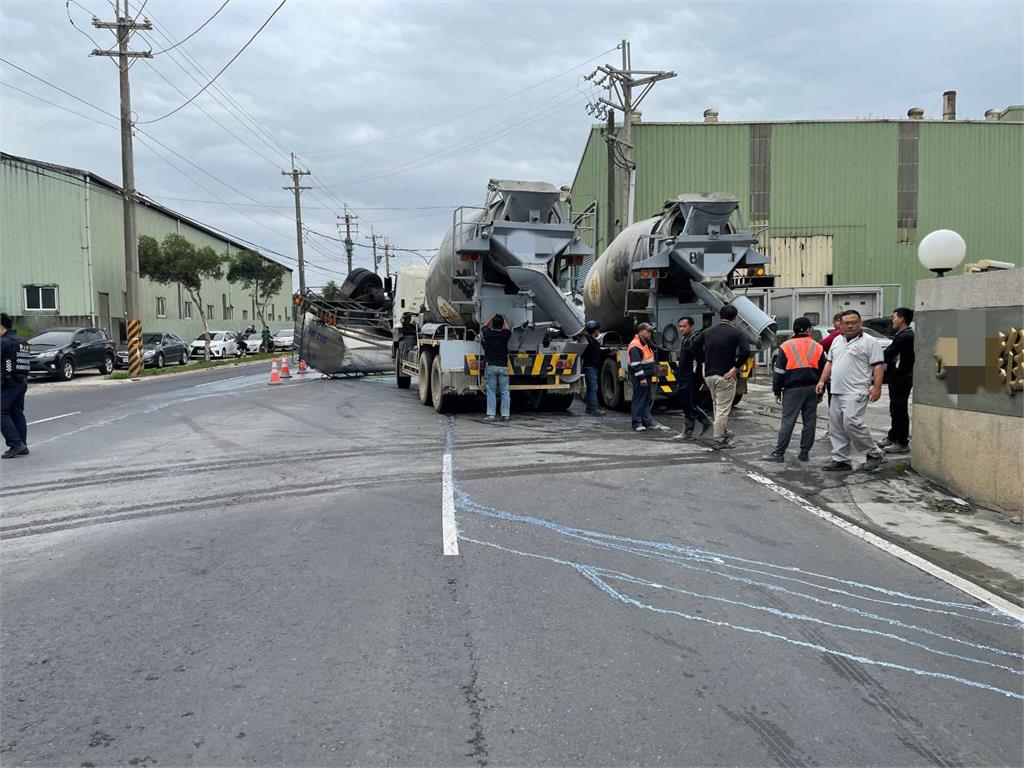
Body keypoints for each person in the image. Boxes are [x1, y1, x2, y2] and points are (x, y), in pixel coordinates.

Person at [816, 309, 885, 472]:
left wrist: (877, 387)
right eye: (846, 323)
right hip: (837, 390)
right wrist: (822, 380)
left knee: (852, 422)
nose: (850, 326)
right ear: (840, 325)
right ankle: (841, 459)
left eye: (854, 322)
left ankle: (873, 453)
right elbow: (830, 363)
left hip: (856, 391)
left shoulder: (870, 342)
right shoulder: (837, 341)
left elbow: (878, 365)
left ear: (860, 323)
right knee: (836, 426)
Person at [763, 317, 825, 463]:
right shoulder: (817, 346)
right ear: (809, 330)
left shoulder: (785, 346)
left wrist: (776, 391)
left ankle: (779, 453)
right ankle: (804, 452)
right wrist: (821, 391)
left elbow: (779, 371)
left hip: (792, 389)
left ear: (794, 329)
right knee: (809, 422)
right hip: (812, 389)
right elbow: (824, 372)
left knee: (788, 422)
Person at [701, 305, 750, 449]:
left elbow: (695, 347)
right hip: (725, 376)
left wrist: (703, 364)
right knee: (722, 409)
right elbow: (745, 351)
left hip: (709, 376)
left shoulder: (708, 332)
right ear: (734, 318)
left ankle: (723, 432)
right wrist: (735, 368)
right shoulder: (737, 333)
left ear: (720, 315)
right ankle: (719, 439)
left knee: (717, 406)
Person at [879, 307, 915, 454]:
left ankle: (902, 442)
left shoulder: (905, 336)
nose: (892, 320)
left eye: (894, 317)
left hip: (902, 377)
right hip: (897, 376)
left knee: (899, 409)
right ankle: (893, 436)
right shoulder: (902, 335)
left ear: (902, 319)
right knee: (895, 408)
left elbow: (888, 352)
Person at [675, 316, 711, 438]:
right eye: (680, 326)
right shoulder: (685, 339)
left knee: (690, 404)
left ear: (691, 327)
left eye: (684, 326)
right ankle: (689, 431)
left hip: (691, 378)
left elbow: (699, 361)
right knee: (686, 404)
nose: (681, 329)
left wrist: (696, 377)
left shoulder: (694, 340)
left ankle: (704, 423)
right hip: (684, 376)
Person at [1, 313, 31, 459]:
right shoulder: (21, 341)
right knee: (16, 412)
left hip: (8, 383)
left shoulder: (4, 342)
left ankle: (15, 444)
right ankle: (22, 444)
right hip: (21, 382)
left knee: (1, 412)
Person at [816, 312, 844, 443]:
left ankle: (833, 432)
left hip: (836, 378)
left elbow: (819, 346)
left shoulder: (836, 335)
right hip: (849, 380)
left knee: (834, 407)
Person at [627, 322, 658, 432]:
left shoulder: (645, 343)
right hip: (640, 377)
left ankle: (647, 422)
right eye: (648, 331)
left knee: (646, 399)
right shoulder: (635, 345)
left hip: (646, 376)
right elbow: (636, 364)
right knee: (639, 399)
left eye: (650, 331)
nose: (650, 333)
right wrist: (642, 378)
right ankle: (637, 423)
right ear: (640, 331)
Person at [481, 313, 511, 422]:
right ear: (502, 325)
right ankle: (505, 415)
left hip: (491, 367)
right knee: (505, 391)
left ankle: (491, 415)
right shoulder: (505, 335)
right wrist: (504, 317)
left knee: (491, 391)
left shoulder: (488, 334)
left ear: (492, 324)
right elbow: (508, 328)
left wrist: (491, 316)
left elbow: (484, 326)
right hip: (503, 367)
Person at [581, 320, 605, 416]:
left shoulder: (592, 341)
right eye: (597, 330)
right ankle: (593, 409)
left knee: (591, 388)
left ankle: (589, 407)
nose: (598, 331)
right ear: (594, 331)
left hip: (592, 367)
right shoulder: (589, 341)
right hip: (590, 367)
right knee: (593, 388)